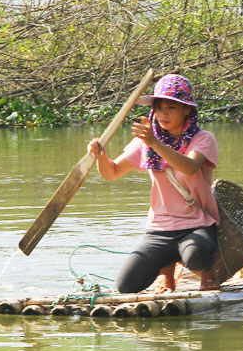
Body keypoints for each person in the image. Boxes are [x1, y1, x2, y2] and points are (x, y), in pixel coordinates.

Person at [88, 74, 220, 293]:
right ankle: (166, 270)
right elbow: (111, 173)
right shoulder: (146, 141)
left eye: (171, 108)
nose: (163, 114)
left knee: (197, 256)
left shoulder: (202, 138)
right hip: (160, 229)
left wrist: (155, 143)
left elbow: (189, 167)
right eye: (159, 108)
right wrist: (99, 155)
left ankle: (208, 270)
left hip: (197, 224)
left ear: (187, 110)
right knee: (126, 286)